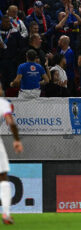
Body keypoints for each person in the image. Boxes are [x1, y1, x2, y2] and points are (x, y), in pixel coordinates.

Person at [0, 96, 23, 224]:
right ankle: (6, 214)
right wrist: (17, 140)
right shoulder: (2, 103)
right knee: (2, 177)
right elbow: (11, 122)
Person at [0, 15, 23, 89]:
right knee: (2, 83)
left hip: (12, 62)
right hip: (1, 61)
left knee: (11, 83)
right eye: (6, 22)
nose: (8, 23)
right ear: (2, 22)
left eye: (9, 22)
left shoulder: (15, 32)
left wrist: (16, 59)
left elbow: (20, 46)